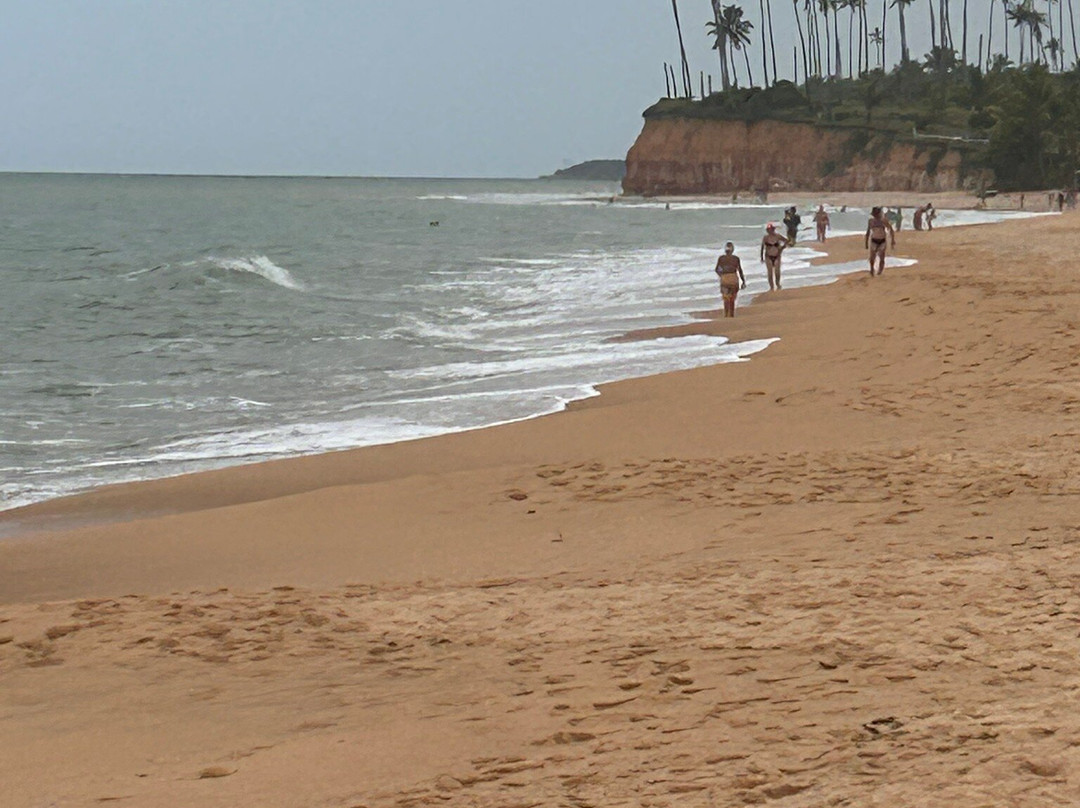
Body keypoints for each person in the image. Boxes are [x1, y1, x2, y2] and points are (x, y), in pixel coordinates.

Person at [714, 242, 746, 318]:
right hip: (733, 278)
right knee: (732, 298)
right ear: (732, 250)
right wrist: (743, 281)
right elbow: (740, 270)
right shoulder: (736, 258)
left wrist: (721, 275)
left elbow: (717, 269)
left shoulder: (721, 258)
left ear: (725, 250)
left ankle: (726, 314)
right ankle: (731, 314)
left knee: (726, 297)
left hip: (725, 278)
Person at [865, 206, 896, 276]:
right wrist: (866, 242)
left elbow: (890, 229)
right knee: (872, 258)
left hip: (882, 240)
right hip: (874, 240)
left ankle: (880, 271)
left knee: (882, 257)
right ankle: (872, 269)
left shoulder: (883, 221)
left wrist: (892, 240)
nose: (876, 215)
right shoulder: (871, 221)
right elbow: (868, 232)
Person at [760, 223, 789, 290]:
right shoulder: (765, 238)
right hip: (768, 256)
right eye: (768, 230)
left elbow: (786, 241)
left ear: (773, 229)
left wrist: (782, 248)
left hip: (777, 256)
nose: (770, 231)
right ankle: (771, 286)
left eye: (771, 229)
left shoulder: (778, 236)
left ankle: (777, 284)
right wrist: (761, 257)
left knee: (777, 272)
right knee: (770, 272)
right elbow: (762, 247)